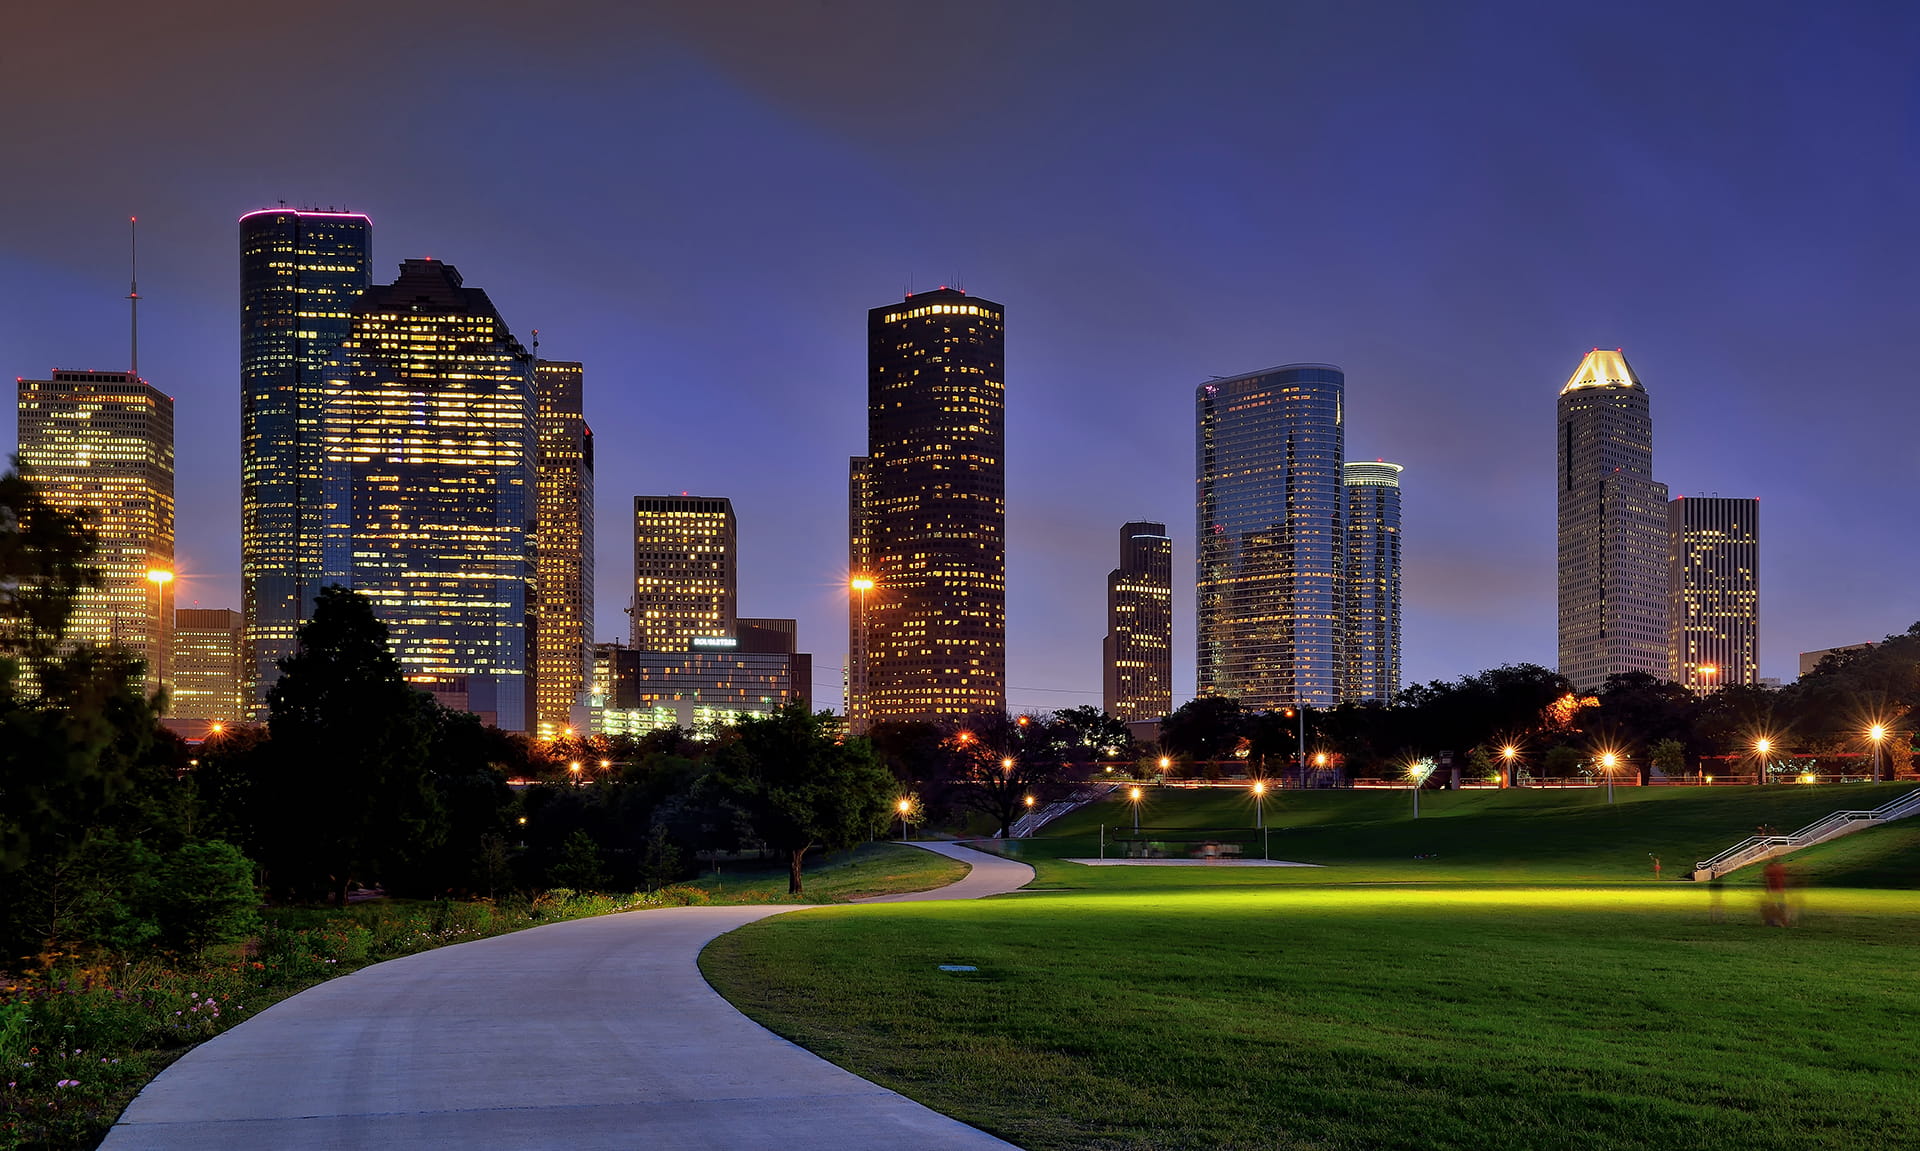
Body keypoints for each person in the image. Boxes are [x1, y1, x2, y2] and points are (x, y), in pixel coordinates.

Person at [1763, 858, 1789, 926]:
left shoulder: (1768, 868)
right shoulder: (1780, 867)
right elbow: (1783, 879)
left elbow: (1767, 880)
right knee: (1780, 906)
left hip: (1774, 890)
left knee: (1774, 906)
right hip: (1779, 890)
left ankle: (1772, 922)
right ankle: (1782, 922)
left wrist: (1768, 890)